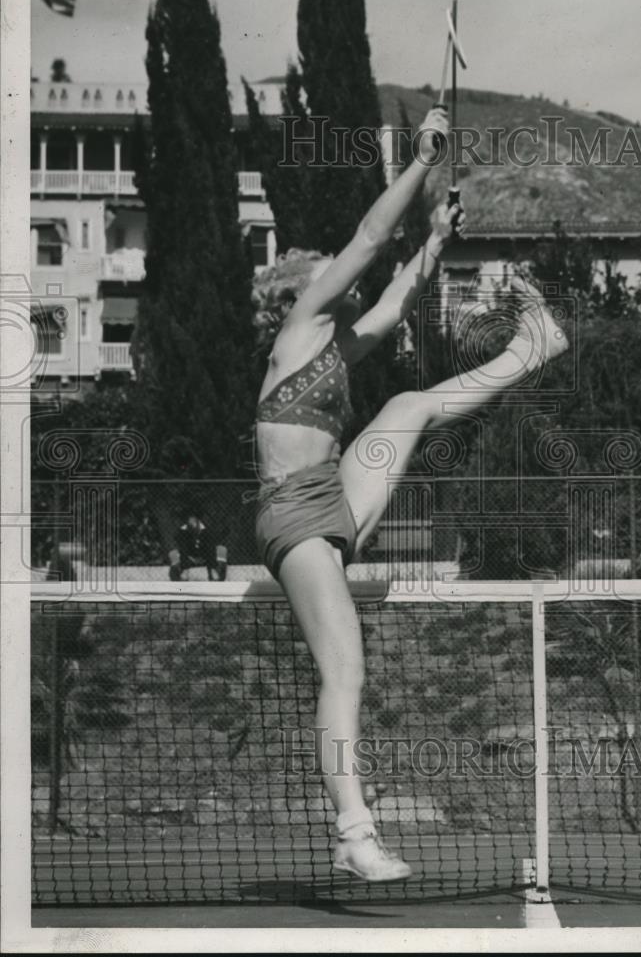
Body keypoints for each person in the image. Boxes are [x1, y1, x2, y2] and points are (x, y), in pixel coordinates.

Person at [254, 107, 568, 881]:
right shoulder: (298, 327)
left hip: (334, 497)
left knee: (408, 405)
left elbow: (393, 299)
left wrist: (434, 239)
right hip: (294, 516)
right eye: (320, 269)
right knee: (345, 672)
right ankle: (354, 832)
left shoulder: (335, 350)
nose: (335, 272)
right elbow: (366, 241)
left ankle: (532, 349)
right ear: (301, 288)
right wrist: (423, 161)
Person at [168, 513, 227, 581]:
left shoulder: (206, 529)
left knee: (222, 550)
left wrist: (212, 566)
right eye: (189, 518)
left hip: (205, 555)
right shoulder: (182, 531)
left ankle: (215, 574)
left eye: (193, 518)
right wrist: (185, 567)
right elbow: (183, 548)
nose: (192, 521)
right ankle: (178, 580)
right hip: (189, 556)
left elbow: (211, 546)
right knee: (173, 553)